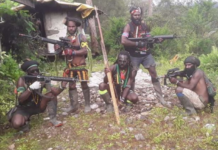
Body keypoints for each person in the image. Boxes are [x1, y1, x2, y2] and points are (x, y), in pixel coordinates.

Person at [121, 6, 169, 107]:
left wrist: (157, 41)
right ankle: (130, 98)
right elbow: (123, 40)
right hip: (134, 55)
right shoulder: (128, 26)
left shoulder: (144, 25)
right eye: (135, 15)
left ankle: (160, 98)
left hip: (146, 54)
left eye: (138, 15)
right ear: (131, 15)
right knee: (132, 76)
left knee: (154, 74)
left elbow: (148, 38)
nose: (137, 17)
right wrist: (137, 44)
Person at [7, 60, 66, 132]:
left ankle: (53, 119)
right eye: (32, 71)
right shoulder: (22, 80)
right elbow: (20, 99)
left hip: (38, 105)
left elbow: (54, 92)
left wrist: (62, 86)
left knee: (51, 95)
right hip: (24, 108)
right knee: (16, 123)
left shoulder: (41, 79)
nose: (36, 73)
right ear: (27, 72)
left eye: (37, 70)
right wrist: (30, 88)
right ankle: (25, 123)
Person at [57, 17, 91, 113]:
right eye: (69, 26)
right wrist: (58, 49)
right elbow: (61, 52)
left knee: (84, 84)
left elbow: (84, 50)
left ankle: (87, 105)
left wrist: (73, 52)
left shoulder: (81, 37)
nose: (71, 28)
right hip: (70, 67)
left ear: (76, 27)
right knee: (71, 86)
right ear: (67, 27)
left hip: (80, 65)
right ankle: (73, 106)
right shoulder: (65, 39)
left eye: (73, 26)